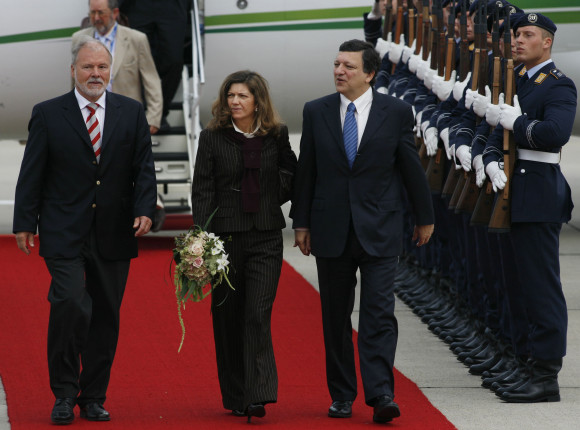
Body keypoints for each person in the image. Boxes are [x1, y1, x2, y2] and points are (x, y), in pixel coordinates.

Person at [12, 36, 157, 424]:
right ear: (73, 71)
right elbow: (33, 172)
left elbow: (142, 167)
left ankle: (93, 395)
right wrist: (25, 221)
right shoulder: (48, 113)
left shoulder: (130, 112)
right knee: (70, 304)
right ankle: (63, 394)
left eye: (102, 67)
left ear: (111, 71)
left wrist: (145, 208)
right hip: (63, 231)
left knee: (106, 316)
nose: (96, 74)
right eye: (88, 67)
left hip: (113, 230)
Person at [291, 39, 434, 423]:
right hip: (331, 229)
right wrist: (300, 222)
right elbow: (308, 169)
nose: (339, 71)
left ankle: (381, 393)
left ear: (370, 74)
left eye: (349, 67)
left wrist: (425, 217)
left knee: (378, 314)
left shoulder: (396, 111)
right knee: (335, 316)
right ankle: (341, 395)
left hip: (380, 228)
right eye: (336, 64)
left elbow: (409, 167)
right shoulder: (316, 111)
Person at [190, 70, 297, 422]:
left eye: (242, 96)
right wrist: (202, 239)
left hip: (266, 237)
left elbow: (292, 175)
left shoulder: (276, 135)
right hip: (224, 240)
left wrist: (270, 195)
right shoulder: (212, 137)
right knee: (228, 318)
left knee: (256, 314)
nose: (235, 102)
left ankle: (258, 394)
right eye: (230, 96)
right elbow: (203, 189)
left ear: (258, 101)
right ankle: (236, 395)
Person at [482, 12, 576, 403]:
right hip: (512, 195)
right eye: (516, 34)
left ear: (547, 42)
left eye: (527, 34)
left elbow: (556, 134)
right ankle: (524, 361)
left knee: (540, 289)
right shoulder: (516, 80)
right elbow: (493, 132)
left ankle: (545, 374)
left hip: (538, 196)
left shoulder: (557, 85)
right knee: (515, 286)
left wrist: (518, 123)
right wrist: (487, 156)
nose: (518, 40)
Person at [72, 0, 163, 136]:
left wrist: (153, 119)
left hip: (126, 119)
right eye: (92, 13)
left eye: (101, 13)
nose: (96, 18)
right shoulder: (78, 39)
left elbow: (151, 80)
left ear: (115, 13)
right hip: (89, 119)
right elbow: (75, 80)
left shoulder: (136, 39)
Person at [119, 0, 190, 130]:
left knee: (174, 61)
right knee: (132, 60)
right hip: (136, 6)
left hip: (172, 6)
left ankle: (160, 112)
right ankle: (138, 111)